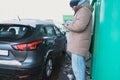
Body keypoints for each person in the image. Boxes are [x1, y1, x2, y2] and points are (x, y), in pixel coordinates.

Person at [64, 0, 93, 80]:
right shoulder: (82, 10)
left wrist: (68, 26)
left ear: (76, 5)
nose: (72, 9)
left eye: (72, 7)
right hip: (78, 45)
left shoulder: (84, 10)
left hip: (79, 45)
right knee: (77, 67)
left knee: (78, 69)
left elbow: (79, 27)